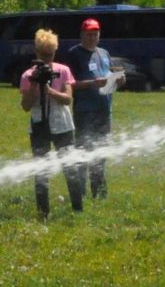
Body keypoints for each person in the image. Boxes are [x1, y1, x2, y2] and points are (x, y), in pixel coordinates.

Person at [59, 17, 116, 208]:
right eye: (88, 35)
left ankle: (99, 192)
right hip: (85, 111)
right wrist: (92, 83)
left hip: (104, 110)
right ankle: (80, 193)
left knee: (101, 151)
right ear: (82, 35)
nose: (92, 38)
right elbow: (70, 84)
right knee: (83, 151)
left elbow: (109, 75)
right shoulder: (74, 54)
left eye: (95, 34)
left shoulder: (104, 53)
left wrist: (117, 80)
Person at [20, 29, 75, 218]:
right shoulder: (28, 75)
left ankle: (77, 207)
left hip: (62, 125)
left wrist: (50, 91)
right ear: (36, 53)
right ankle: (43, 211)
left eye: (50, 55)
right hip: (38, 124)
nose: (47, 59)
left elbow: (68, 99)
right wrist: (35, 85)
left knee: (70, 166)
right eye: (43, 55)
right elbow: (26, 106)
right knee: (41, 169)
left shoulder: (63, 70)